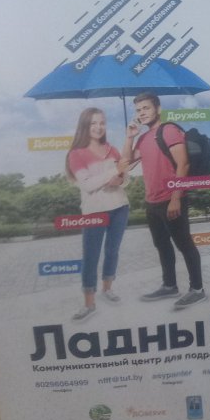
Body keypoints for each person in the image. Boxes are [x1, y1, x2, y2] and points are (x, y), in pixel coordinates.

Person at [123, 92, 205, 310]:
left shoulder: (168, 131)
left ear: (158, 109)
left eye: (146, 108)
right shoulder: (142, 138)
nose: (142, 113)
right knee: (162, 245)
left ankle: (197, 289)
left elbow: (183, 164)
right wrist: (130, 137)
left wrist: (176, 198)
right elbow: (125, 163)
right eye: (138, 110)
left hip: (171, 198)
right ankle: (169, 285)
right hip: (152, 202)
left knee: (184, 244)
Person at [66, 107, 129, 321]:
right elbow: (88, 185)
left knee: (112, 251)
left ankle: (107, 288)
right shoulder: (76, 154)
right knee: (91, 257)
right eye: (93, 123)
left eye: (102, 122)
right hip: (94, 212)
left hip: (120, 207)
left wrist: (119, 179)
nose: (98, 127)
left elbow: (125, 179)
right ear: (85, 126)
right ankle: (89, 304)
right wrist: (113, 172)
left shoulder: (113, 150)